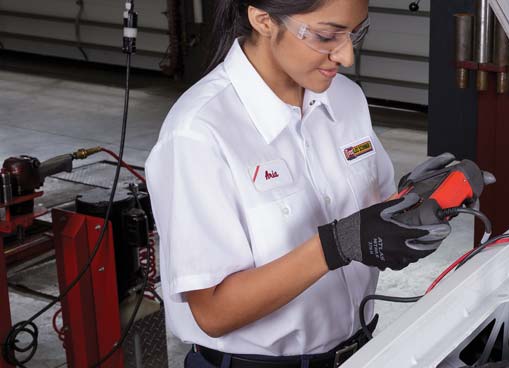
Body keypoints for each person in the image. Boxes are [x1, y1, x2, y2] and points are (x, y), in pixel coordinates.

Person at [144, 1, 475, 366]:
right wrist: (335, 245)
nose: (346, 56)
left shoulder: (346, 99)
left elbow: (369, 220)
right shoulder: (199, 133)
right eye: (326, 35)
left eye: (355, 33)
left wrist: (415, 201)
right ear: (263, 19)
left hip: (361, 352)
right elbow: (213, 313)